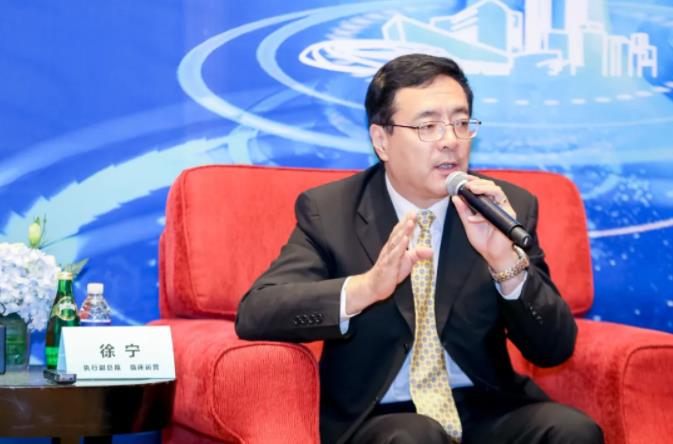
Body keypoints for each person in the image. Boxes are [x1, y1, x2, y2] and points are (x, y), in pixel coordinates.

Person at [235, 53, 603, 444]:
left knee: (573, 432)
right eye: (428, 126)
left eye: (461, 123)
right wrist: (366, 288)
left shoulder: (501, 208)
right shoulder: (331, 211)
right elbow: (257, 312)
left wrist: (504, 262)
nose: (450, 141)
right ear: (382, 140)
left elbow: (553, 349)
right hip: (379, 418)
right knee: (415, 437)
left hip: (485, 409)